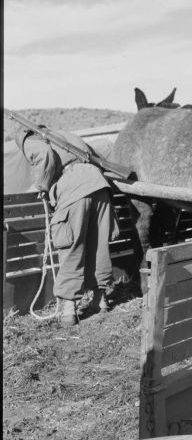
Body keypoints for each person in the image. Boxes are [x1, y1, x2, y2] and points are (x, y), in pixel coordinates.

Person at [15, 127, 117, 327]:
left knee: (71, 247)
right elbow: (98, 152)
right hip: (100, 186)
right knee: (99, 246)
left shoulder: (31, 138)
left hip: (72, 189)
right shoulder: (67, 135)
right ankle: (100, 300)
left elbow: (44, 156)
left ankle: (69, 310)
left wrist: (42, 186)